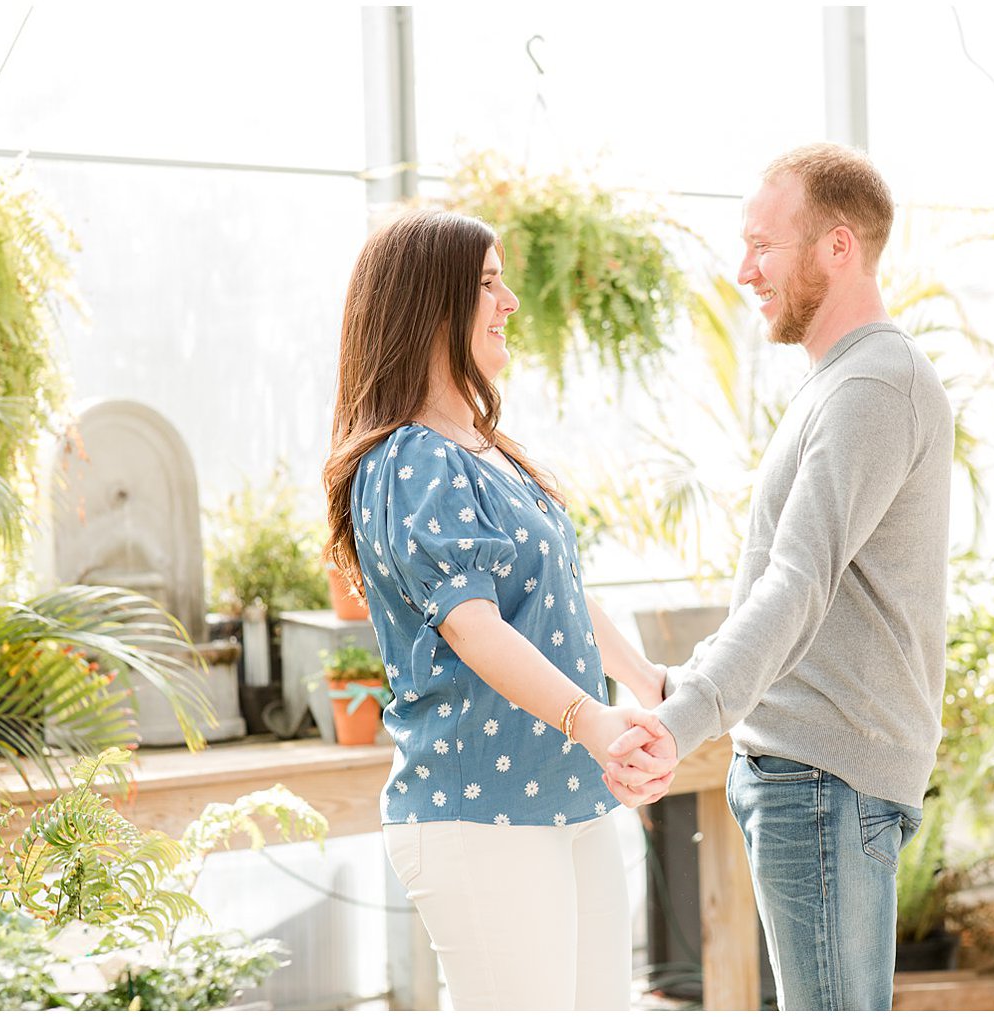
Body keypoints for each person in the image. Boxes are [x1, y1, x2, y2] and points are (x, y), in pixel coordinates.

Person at [608, 143, 955, 1011]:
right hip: (811, 778)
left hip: (822, 783)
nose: (743, 269)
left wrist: (680, 721)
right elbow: (812, 593)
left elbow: (796, 583)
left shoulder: (873, 384)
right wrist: (678, 686)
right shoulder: (838, 383)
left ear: (839, 246)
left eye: (764, 244)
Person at [322, 207, 672, 1011]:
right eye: (486, 283)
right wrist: (594, 719)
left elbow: (563, 595)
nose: (510, 300)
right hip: (478, 813)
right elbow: (473, 623)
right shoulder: (409, 457)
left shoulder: (486, 446)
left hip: (567, 792)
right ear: (427, 305)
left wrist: (646, 681)